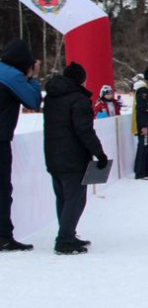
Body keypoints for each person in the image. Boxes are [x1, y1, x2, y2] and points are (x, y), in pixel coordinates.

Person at [42, 62, 107, 255]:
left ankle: (67, 233)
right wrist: (99, 153)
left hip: (53, 155)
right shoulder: (78, 100)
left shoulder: (52, 98)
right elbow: (84, 130)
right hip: (73, 158)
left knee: (62, 197)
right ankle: (64, 240)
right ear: (81, 79)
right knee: (76, 199)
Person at [0, 40, 42, 251]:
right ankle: (4, 237)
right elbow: (33, 102)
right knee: (2, 190)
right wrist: (33, 78)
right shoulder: (12, 76)